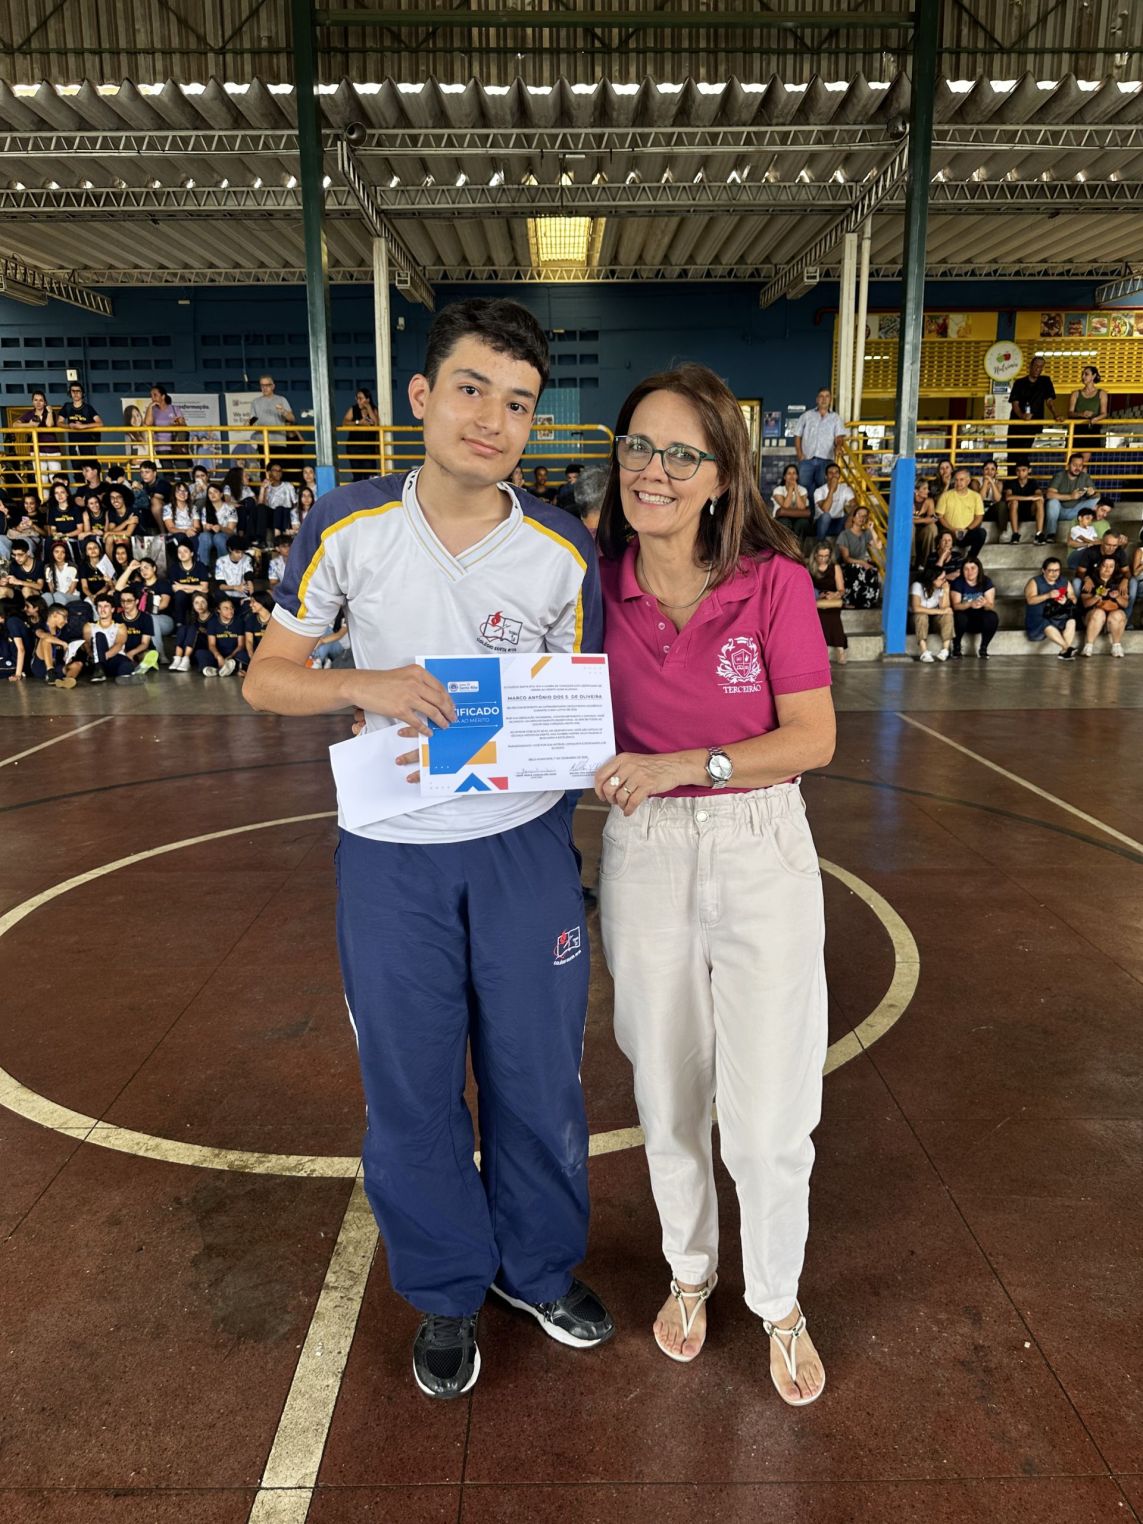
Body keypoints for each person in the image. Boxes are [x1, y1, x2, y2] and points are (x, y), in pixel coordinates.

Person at [244, 297, 613, 1400]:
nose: (493, 419)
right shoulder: (347, 524)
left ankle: (535, 1270)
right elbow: (267, 679)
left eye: (519, 403)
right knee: (410, 1088)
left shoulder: (560, 549)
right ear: (421, 396)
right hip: (391, 857)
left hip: (520, 848)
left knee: (537, 1077)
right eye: (471, 389)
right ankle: (447, 1288)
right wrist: (364, 684)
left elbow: (577, 705)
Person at [593, 361, 832, 1405]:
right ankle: (690, 1272)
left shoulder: (772, 583)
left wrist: (688, 764)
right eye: (639, 446)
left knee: (771, 1109)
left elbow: (811, 738)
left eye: (682, 454)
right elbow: (522, 693)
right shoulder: (591, 579)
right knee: (666, 1090)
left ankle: (777, 1298)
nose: (654, 470)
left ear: (722, 477)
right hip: (644, 853)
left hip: (757, 842)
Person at [1008, 355, 1059, 467]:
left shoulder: (1045, 381)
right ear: (1030, 366)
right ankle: (1012, 477)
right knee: (1012, 456)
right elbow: (1015, 404)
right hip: (1016, 425)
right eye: (1036, 366)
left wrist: (1056, 414)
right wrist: (1022, 416)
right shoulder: (1019, 383)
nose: (1038, 369)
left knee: (1024, 456)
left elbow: (1049, 401)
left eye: (1041, 367)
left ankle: (1023, 475)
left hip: (1033, 425)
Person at [792, 387, 846, 493]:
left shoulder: (836, 418)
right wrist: (799, 454)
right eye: (821, 396)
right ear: (817, 399)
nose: (824, 399)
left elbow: (839, 436)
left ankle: (819, 505)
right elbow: (797, 435)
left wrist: (839, 446)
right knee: (803, 490)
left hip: (826, 460)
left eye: (827, 396)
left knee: (823, 490)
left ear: (830, 399)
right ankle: (808, 505)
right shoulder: (806, 416)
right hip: (807, 460)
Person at [1025, 557, 1077, 658]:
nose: (1054, 573)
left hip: (1057, 615)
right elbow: (1030, 600)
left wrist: (1067, 600)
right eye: (1051, 570)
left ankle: (1064, 652)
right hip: (1039, 618)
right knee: (1045, 624)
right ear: (1043, 570)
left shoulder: (1064, 581)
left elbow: (1073, 597)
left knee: (1071, 621)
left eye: (1057, 570)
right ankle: (1067, 648)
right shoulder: (1034, 582)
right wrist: (1048, 595)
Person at [949, 556, 999, 659]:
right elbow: (956, 606)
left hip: (980, 617)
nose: (970, 572)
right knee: (959, 617)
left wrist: (984, 603)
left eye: (973, 568)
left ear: (978, 569)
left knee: (992, 617)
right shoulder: (958, 582)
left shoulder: (986, 581)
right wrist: (969, 604)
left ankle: (983, 648)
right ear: (962, 571)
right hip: (963, 616)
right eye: (966, 569)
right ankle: (956, 647)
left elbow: (990, 606)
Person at [1080, 555, 1128, 657]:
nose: (1107, 569)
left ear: (1115, 567)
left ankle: (1116, 646)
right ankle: (1088, 646)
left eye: (1111, 566)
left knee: (1118, 615)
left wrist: (1118, 596)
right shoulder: (1090, 580)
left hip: (1113, 619)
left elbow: (1125, 604)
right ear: (1099, 566)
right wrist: (1097, 596)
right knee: (1099, 613)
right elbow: (1085, 604)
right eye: (1105, 565)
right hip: (1093, 617)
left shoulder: (1120, 581)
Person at [834, 505, 882, 608]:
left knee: (873, 569)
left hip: (860, 563)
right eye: (859, 515)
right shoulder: (844, 534)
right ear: (853, 517)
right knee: (855, 568)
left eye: (865, 516)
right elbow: (846, 558)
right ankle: (851, 600)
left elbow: (878, 546)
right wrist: (862, 562)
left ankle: (867, 601)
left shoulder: (866, 533)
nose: (862, 518)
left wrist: (871, 529)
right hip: (847, 564)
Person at [807, 541, 847, 663]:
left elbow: (841, 590)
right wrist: (818, 595)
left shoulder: (835, 567)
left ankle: (840, 649)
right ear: (815, 555)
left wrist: (835, 594)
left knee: (834, 617)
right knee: (819, 618)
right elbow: (806, 588)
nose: (823, 559)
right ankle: (820, 651)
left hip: (832, 600)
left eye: (826, 556)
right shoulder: (809, 568)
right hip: (816, 600)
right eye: (820, 556)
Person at [1045, 453, 1099, 542]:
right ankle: (1050, 534)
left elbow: (1097, 496)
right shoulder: (1060, 476)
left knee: (1097, 500)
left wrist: (1092, 493)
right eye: (1074, 465)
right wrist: (1071, 496)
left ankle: (1091, 532)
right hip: (1059, 511)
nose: (1077, 468)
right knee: (1052, 502)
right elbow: (1049, 494)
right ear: (1068, 465)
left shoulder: (1085, 477)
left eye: (1080, 466)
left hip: (1076, 512)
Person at [936, 465, 987, 560]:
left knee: (981, 533)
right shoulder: (945, 496)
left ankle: (970, 559)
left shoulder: (976, 496)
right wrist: (952, 529)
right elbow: (940, 516)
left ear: (968, 481)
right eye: (956, 480)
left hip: (967, 532)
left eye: (961, 480)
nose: (958, 483)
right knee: (943, 535)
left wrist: (967, 529)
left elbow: (979, 517)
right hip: (950, 532)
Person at [30, 605, 85, 688]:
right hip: (40, 666)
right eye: (64, 617)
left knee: (78, 664)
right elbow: (42, 635)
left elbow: (64, 651)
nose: (66, 621)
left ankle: (67, 681)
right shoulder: (40, 626)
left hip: (57, 665)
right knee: (46, 640)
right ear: (55, 615)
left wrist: (68, 654)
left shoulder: (63, 631)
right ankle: (50, 672)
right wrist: (63, 643)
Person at [17, 389, 61, 483]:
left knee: (56, 478)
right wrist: (29, 425)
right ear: (32, 402)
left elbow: (49, 425)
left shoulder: (50, 412)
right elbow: (15, 425)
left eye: (41, 400)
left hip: (52, 449)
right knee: (41, 479)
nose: (38, 402)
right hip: (37, 449)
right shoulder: (29, 414)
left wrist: (50, 412)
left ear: (45, 402)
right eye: (35, 400)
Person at [57, 382, 104, 471]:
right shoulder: (67, 407)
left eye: (78, 391)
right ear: (70, 393)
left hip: (87, 444)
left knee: (91, 469)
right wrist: (68, 426)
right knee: (77, 470)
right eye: (73, 391)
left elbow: (100, 423)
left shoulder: (88, 408)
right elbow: (59, 422)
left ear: (82, 393)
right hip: (73, 444)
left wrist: (83, 426)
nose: (75, 393)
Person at [910, 568, 953, 661]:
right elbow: (916, 608)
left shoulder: (940, 588)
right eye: (942, 578)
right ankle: (924, 652)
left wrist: (946, 591)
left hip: (933, 621)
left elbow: (945, 608)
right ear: (933, 579)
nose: (944, 581)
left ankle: (945, 650)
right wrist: (941, 611)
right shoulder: (917, 585)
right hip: (916, 621)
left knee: (948, 616)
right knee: (921, 615)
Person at [249, 374, 295, 461]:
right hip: (262, 442)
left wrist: (283, 411)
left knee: (279, 467)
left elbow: (292, 418)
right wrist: (248, 422)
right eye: (262, 385)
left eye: (267, 385)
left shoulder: (281, 399)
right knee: (264, 468)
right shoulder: (255, 402)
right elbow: (252, 420)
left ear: (273, 386)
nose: (264, 388)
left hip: (278, 441)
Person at [137, 556, 173, 661]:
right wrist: (129, 569)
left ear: (154, 568)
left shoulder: (163, 584)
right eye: (141, 569)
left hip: (164, 621)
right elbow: (119, 587)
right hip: (143, 622)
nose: (143, 571)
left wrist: (147, 611)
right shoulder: (138, 586)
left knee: (150, 618)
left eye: (146, 567)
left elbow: (164, 604)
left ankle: (161, 654)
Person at [1067, 366, 1108, 458]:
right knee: (1071, 458)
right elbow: (1070, 413)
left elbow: (1104, 413)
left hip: (1091, 429)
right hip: (1077, 429)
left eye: (1086, 374)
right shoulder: (1075, 393)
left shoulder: (1102, 393)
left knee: (1085, 460)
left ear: (1094, 376)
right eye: (1082, 374)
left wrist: (1095, 418)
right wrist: (1081, 414)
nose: (1083, 377)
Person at [201, 594, 245, 676]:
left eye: (231, 607)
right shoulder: (212, 623)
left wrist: (230, 657)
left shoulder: (239, 622)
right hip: (218, 653)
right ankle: (219, 670)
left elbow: (241, 645)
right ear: (218, 610)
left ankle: (224, 669)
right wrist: (218, 656)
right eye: (226, 608)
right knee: (201, 653)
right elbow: (211, 645)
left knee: (242, 655)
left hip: (233, 654)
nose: (230, 610)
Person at [1001, 463, 1045, 544]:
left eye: (1024, 470)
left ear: (1029, 470)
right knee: (1014, 502)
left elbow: (1039, 496)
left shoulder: (1033, 482)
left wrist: (1031, 498)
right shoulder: (1011, 483)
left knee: (1039, 502)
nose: (1021, 473)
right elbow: (1008, 497)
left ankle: (1039, 534)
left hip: (1030, 511)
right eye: (1018, 470)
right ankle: (1015, 535)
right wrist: (1029, 498)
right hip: (1015, 512)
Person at [169, 591, 213, 672]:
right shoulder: (193, 617)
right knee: (182, 628)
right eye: (196, 603)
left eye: (203, 602)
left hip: (206, 646)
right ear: (193, 605)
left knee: (193, 628)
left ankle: (186, 659)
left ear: (207, 603)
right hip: (191, 646)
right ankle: (178, 658)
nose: (200, 605)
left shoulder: (214, 617)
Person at [143, 385, 186, 465]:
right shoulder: (152, 410)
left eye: (155, 395)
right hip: (161, 446)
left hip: (176, 444)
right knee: (167, 470)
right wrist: (150, 407)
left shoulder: (174, 408)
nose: (152, 398)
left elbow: (183, 425)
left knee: (182, 468)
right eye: (151, 395)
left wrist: (176, 423)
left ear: (163, 396)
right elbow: (147, 424)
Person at [169, 542, 211, 623]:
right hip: (182, 598)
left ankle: (201, 623)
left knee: (197, 595)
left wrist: (182, 586)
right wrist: (197, 588)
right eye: (179, 552)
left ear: (191, 553)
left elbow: (204, 588)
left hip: (198, 597)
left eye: (185, 551)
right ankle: (180, 623)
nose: (182, 554)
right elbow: (175, 588)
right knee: (179, 595)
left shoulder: (200, 566)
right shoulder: (174, 568)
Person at [812, 462, 854, 540]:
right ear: (826, 476)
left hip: (838, 523)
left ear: (839, 476)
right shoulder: (819, 491)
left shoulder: (845, 489)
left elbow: (854, 505)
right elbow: (825, 509)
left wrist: (850, 518)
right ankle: (820, 542)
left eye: (836, 473)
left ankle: (846, 543)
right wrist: (831, 489)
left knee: (853, 515)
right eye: (830, 473)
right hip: (821, 525)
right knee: (826, 516)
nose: (834, 475)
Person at [771, 463, 812, 541]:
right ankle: (786, 546)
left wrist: (796, 489)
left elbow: (801, 507)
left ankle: (797, 547)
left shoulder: (803, 490)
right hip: (782, 517)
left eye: (794, 473)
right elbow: (785, 506)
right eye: (789, 473)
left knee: (803, 523)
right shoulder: (778, 490)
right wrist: (790, 490)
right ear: (784, 477)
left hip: (799, 517)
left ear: (797, 476)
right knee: (784, 522)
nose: (792, 476)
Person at [259, 460, 298, 541]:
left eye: (280, 471)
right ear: (269, 472)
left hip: (285, 514)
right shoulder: (267, 487)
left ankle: (278, 537)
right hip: (271, 517)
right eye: (275, 470)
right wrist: (263, 489)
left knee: (280, 509)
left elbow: (295, 503)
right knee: (276, 510)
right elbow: (260, 506)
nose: (278, 473)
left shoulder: (288, 486)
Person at [213, 537, 254, 606]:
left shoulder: (247, 559)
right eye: (237, 552)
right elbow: (221, 586)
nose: (240, 555)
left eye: (242, 552)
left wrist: (251, 595)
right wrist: (235, 587)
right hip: (226, 595)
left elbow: (249, 578)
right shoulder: (220, 561)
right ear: (230, 549)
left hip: (242, 595)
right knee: (218, 593)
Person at [43, 540, 81, 607]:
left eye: (63, 552)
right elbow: (51, 588)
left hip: (72, 596)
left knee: (58, 596)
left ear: (66, 554)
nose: (59, 555)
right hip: (56, 596)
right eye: (56, 552)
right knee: (46, 596)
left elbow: (71, 590)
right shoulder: (48, 567)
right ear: (52, 553)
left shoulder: (73, 567)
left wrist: (59, 597)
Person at [912, 480, 938, 567]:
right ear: (916, 490)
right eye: (924, 488)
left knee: (932, 528)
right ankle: (912, 560)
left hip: (921, 532)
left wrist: (918, 520)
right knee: (911, 527)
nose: (928, 491)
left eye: (928, 488)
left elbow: (933, 518)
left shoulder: (929, 501)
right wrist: (924, 519)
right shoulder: (908, 500)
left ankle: (926, 561)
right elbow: (907, 521)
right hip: (909, 532)